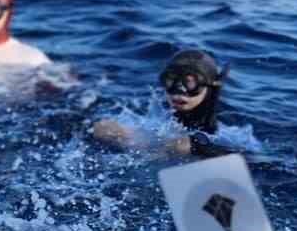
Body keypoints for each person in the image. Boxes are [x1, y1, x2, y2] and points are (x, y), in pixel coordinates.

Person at [92, 47, 233, 158]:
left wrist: (197, 146)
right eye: (171, 81)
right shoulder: (161, 118)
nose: (179, 90)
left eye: (190, 83)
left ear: (210, 86)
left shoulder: (228, 131)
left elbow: (245, 156)